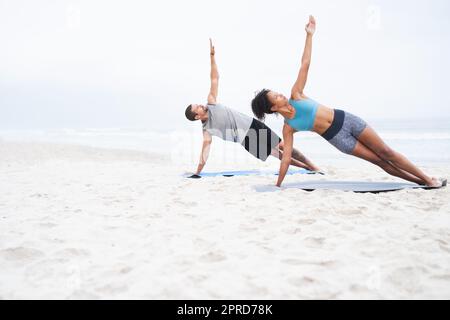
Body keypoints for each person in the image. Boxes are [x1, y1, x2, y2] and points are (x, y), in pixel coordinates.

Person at [251, 16, 446, 188]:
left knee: (386, 152)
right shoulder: (288, 127)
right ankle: (422, 182)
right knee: (381, 162)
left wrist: (309, 35)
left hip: (347, 120)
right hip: (338, 138)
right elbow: (286, 158)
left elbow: (305, 64)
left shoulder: (297, 94)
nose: (281, 95)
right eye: (276, 96)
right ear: (273, 107)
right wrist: (278, 184)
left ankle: (426, 178)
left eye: (278, 92)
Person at [185, 39, 320, 177]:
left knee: (283, 146)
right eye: (198, 108)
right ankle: (306, 167)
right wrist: (198, 172)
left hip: (252, 125)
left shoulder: (211, 103)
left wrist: (212, 57)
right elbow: (205, 152)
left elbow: (214, 78)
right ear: (197, 116)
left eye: (198, 104)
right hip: (245, 140)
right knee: (277, 155)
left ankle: (312, 165)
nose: (201, 105)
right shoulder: (207, 130)